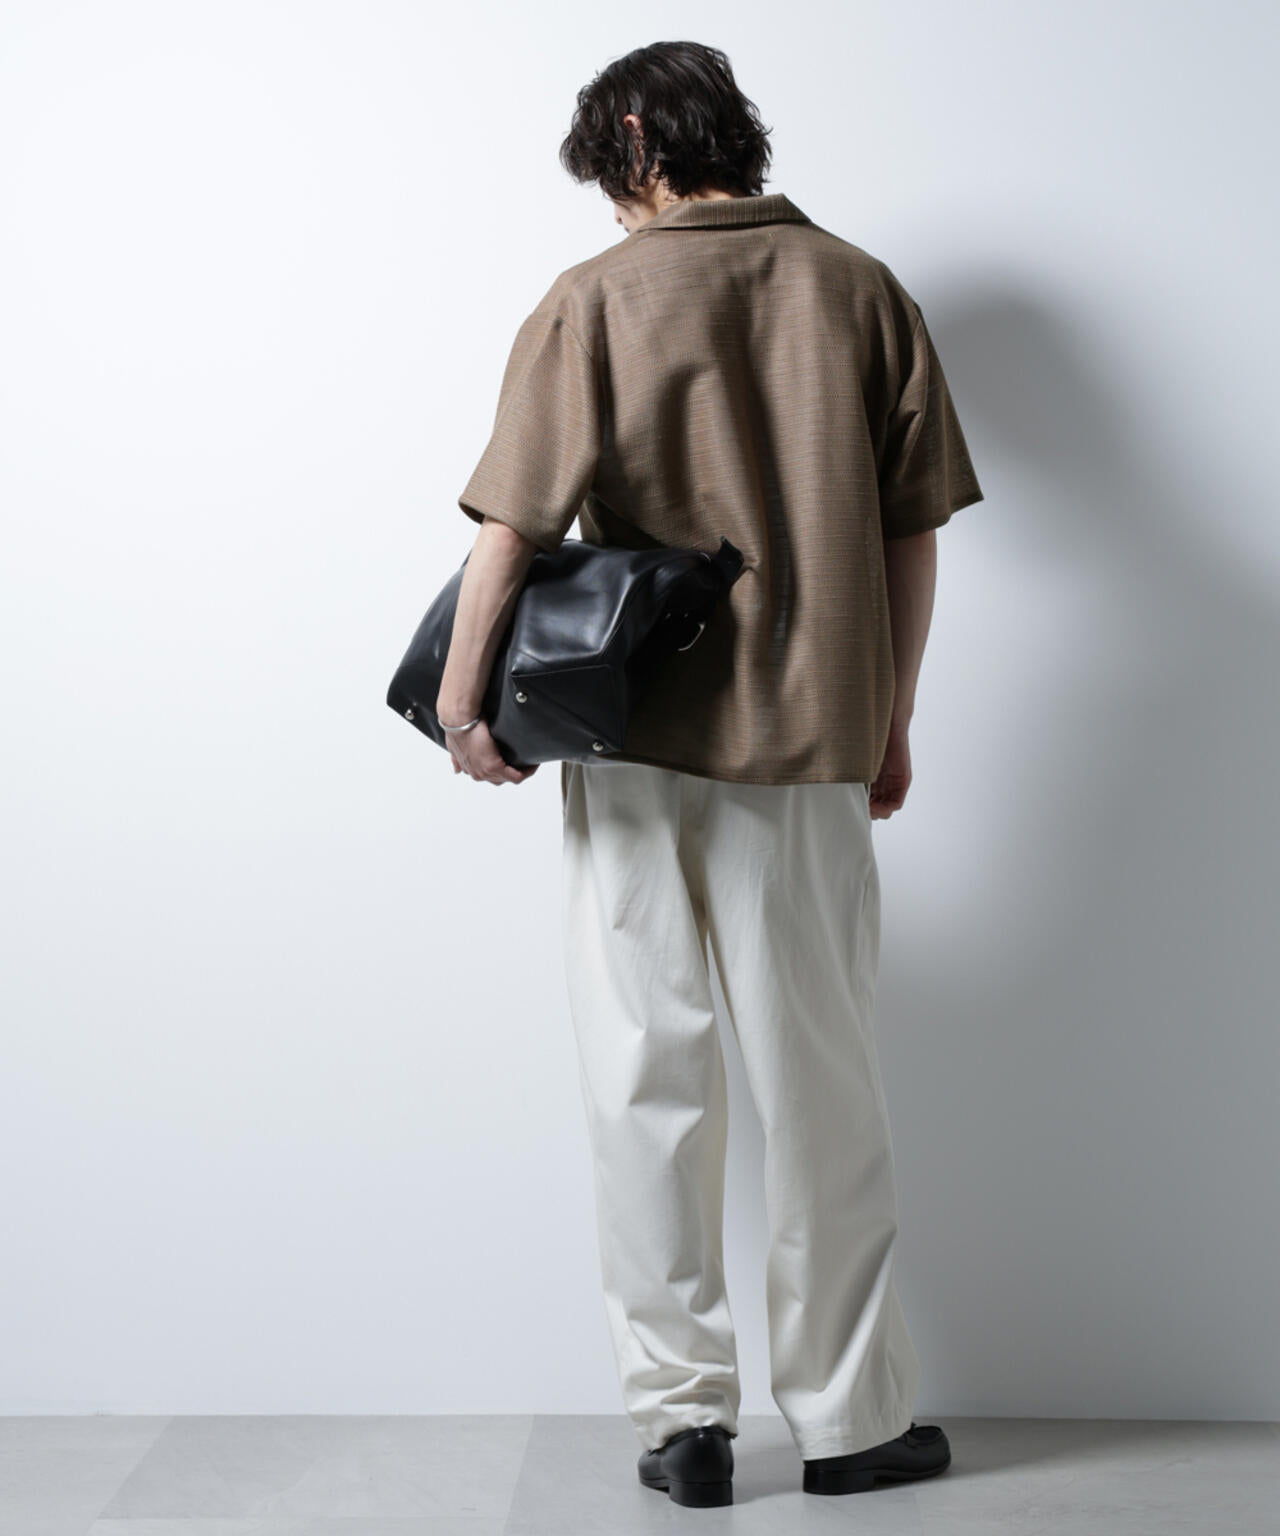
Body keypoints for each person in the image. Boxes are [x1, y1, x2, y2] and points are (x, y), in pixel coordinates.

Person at [436, 39, 983, 1507]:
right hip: (808, 746)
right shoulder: (863, 291)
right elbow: (912, 529)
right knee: (824, 1087)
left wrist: (463, 699)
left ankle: (683, 1426)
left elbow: (511, 526)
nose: (612, 209)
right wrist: (892, 716)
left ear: (637, 139)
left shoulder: (594, 299)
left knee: (643, 1078)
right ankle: (849, 1423)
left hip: (628, 746)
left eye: (608, 177)